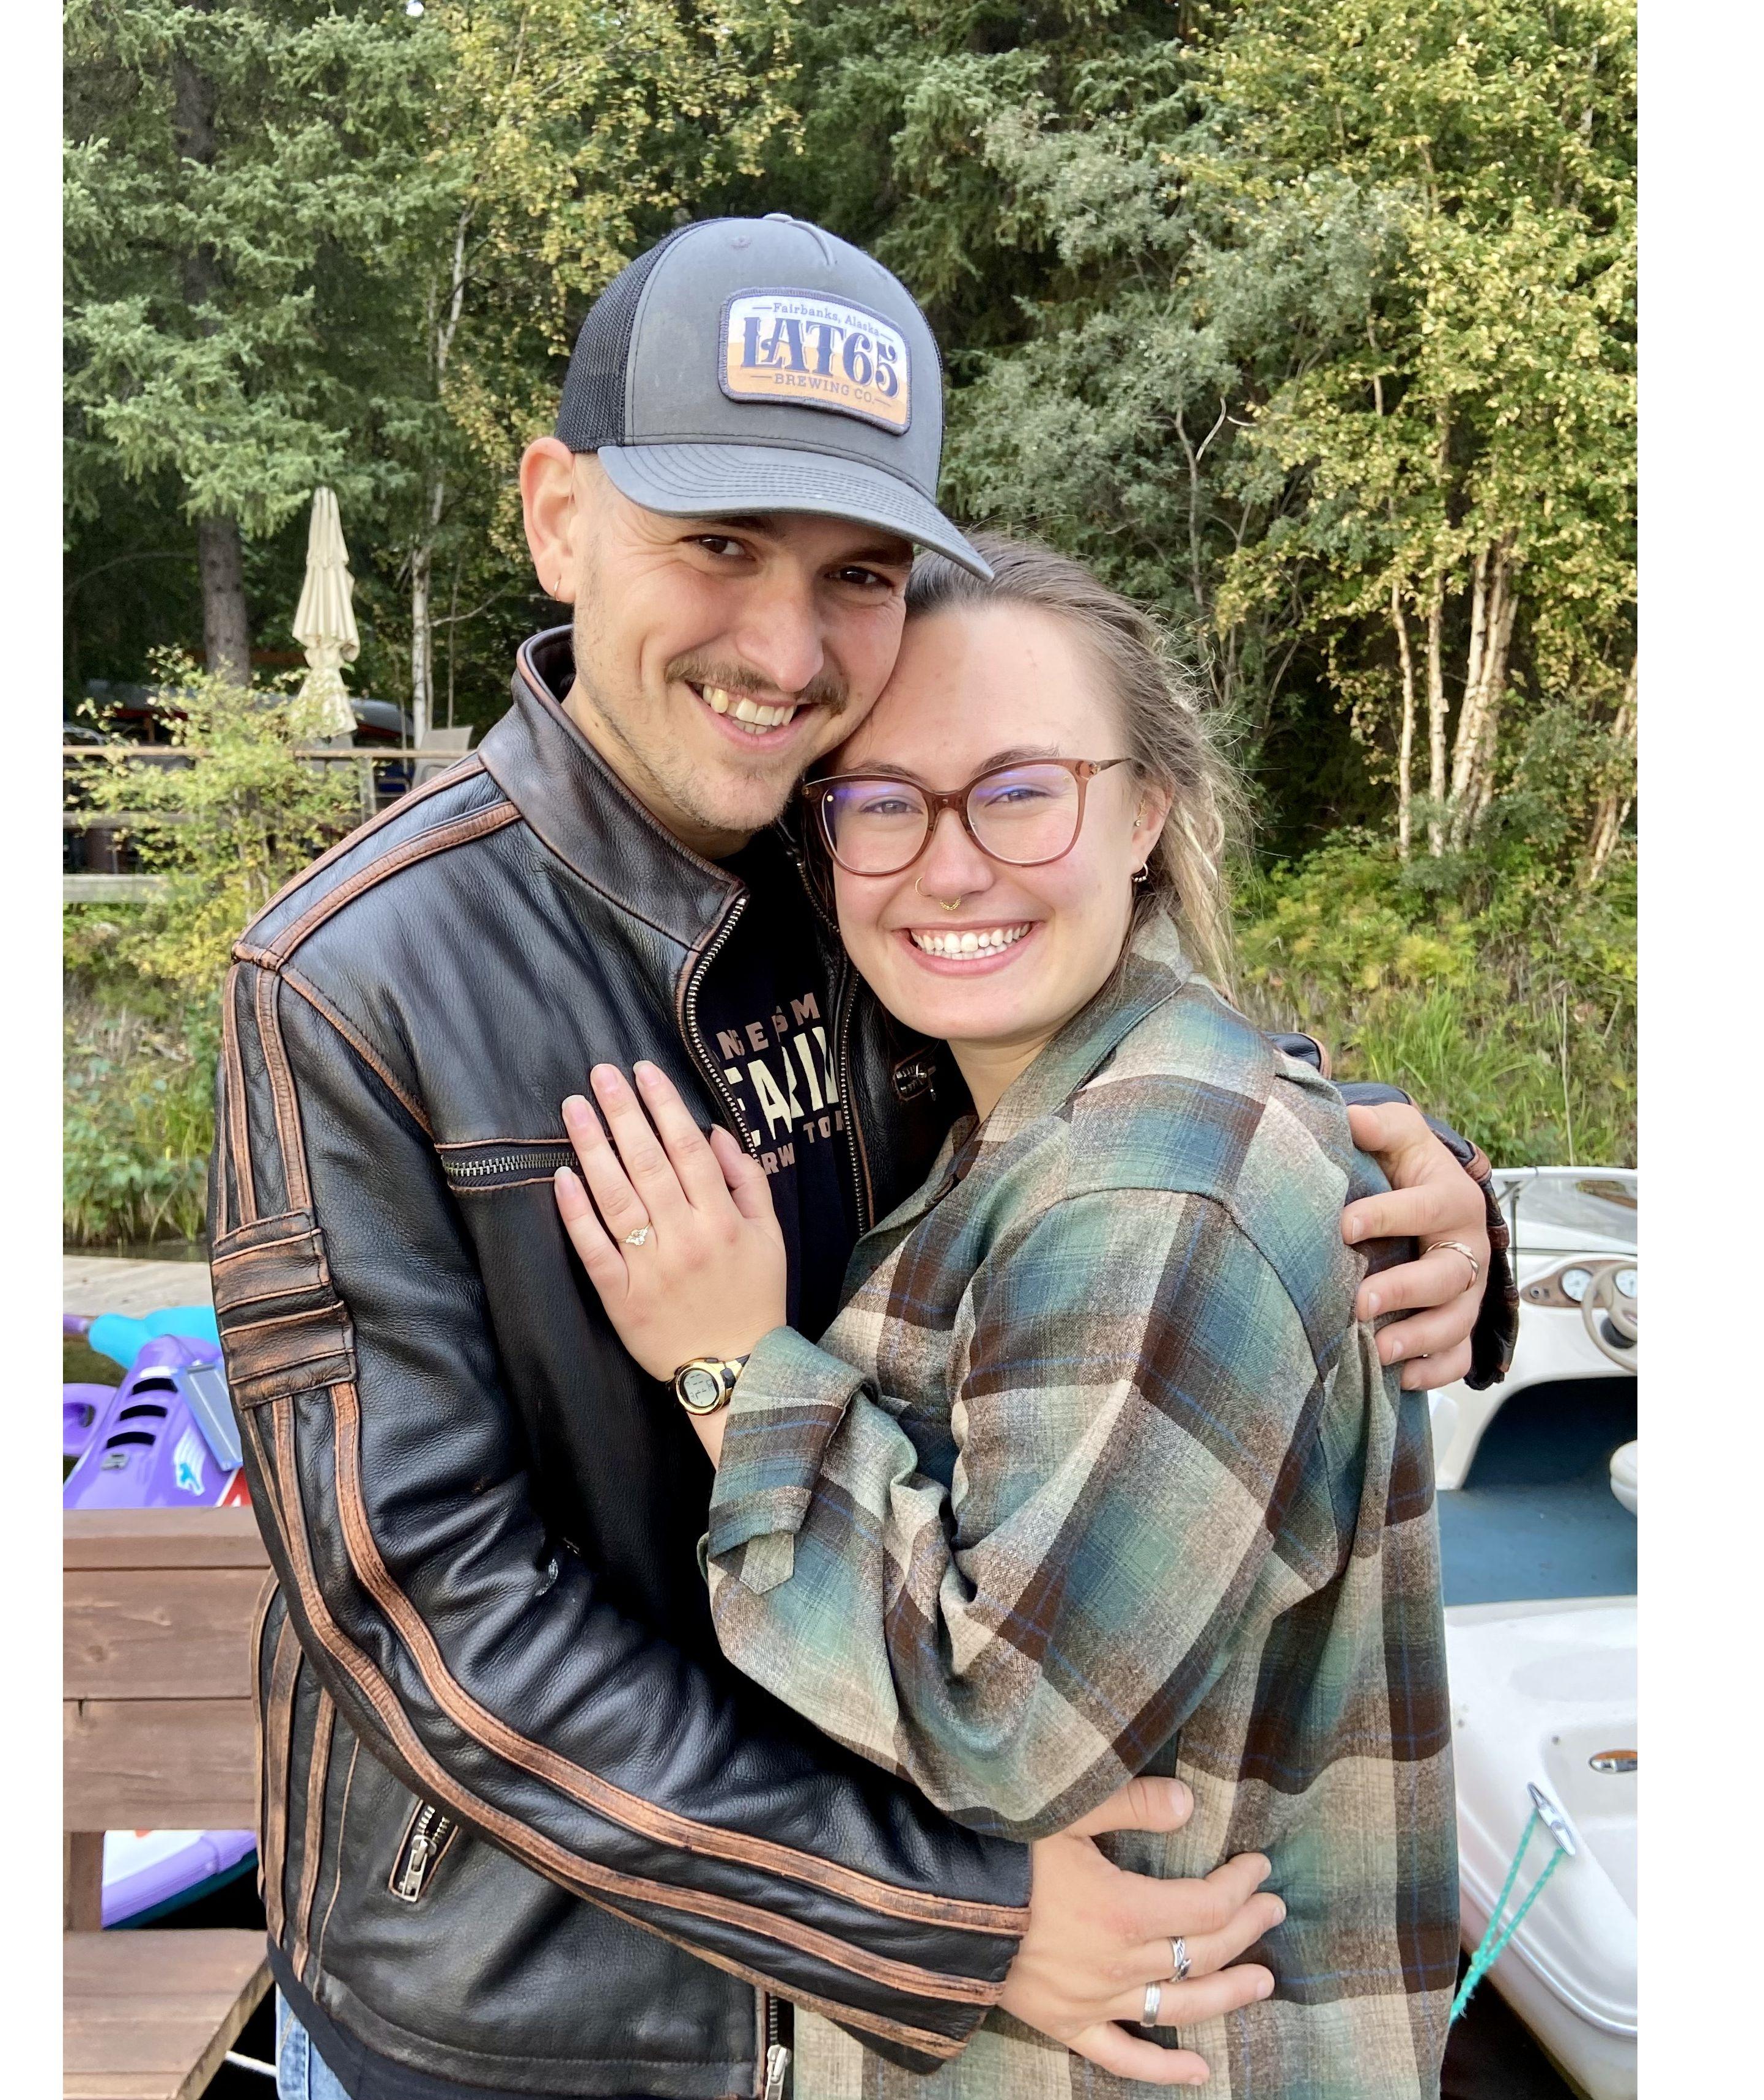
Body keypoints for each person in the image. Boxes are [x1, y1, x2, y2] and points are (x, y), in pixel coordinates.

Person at [213, 216, 1511, 2100]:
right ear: (558, 513)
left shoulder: (873, 867)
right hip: (539, 2017)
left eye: (859, 571)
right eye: (717, 546)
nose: (786, 646)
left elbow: (1133, 1086)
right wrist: (940, 1916)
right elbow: (425, 1615)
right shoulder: (354, 980)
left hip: (869, 2031)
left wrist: (1418, 1198)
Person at [553, 535, 1458, 2098]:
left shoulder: (1158, 1193)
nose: (950, 864)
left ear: (1143, 813)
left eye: (1021, 789)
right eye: (884, 802)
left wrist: (728, 1365)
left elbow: (1004, 1727)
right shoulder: (1044, 1104)